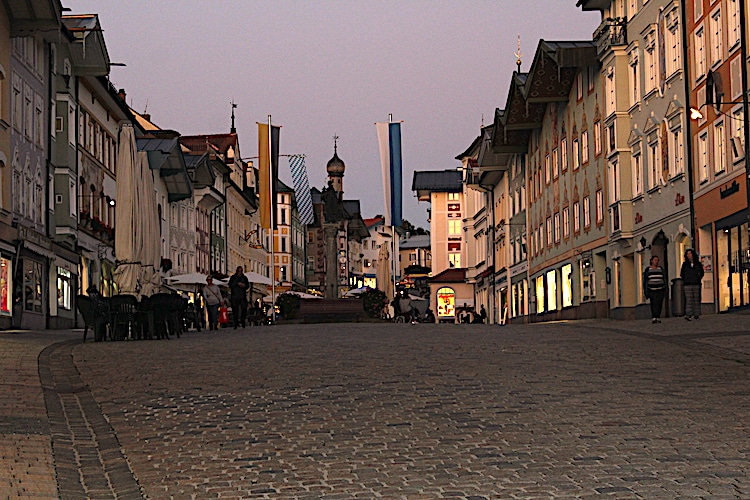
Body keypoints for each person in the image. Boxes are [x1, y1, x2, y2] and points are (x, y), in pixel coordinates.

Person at [681, 248, 704, 320]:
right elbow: (682, 274)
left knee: (696, 299)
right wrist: (686, 279)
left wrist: (698, 278)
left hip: (696, 283)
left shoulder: (698, 264)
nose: (689, 255)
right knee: (689, 299)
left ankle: (696, 314)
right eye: (687, 254)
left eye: (690, 254)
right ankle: (688, 314)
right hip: (687, 284)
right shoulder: (685, 264)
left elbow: (702, 272)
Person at [643, 255, 667, 323]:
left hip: (660, 289)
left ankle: (658, 316)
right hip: (651, 289)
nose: (656, 262)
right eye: (655, 260)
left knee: (659, 303)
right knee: (653, 303)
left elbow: (664, 278)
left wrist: (665, 288)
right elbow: (645, 280)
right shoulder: (648, 270)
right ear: (651, 261)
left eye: (657, 260)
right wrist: (645, 290)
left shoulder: (660, 269)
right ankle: (654, 317)